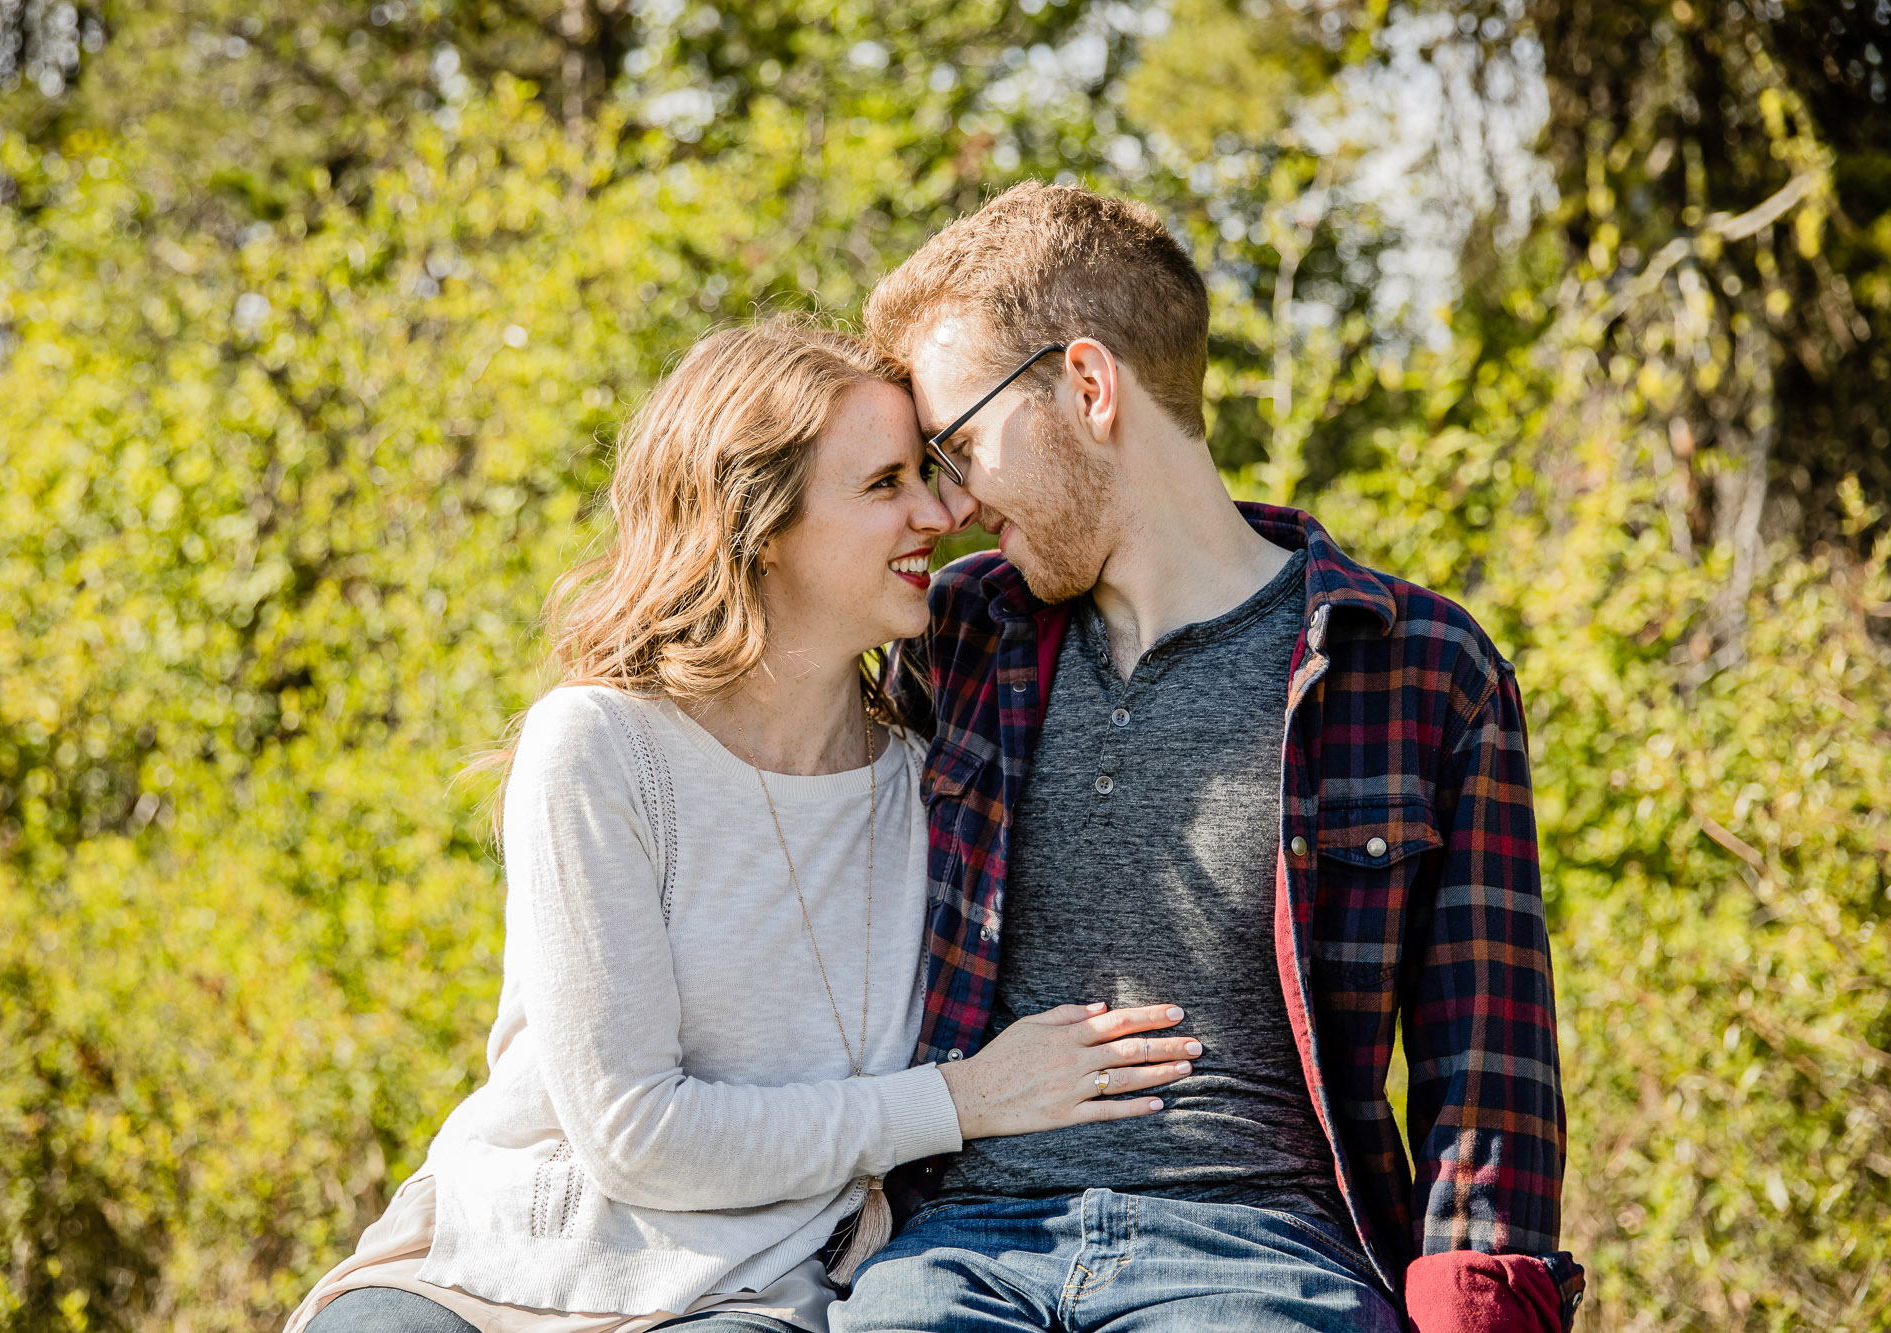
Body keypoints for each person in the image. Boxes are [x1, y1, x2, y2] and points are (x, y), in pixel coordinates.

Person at [285, 322, 1198, 1333]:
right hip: (500, 1267)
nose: (941, 512)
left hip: (752, 1290)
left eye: (928, 474)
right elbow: (637, 1133)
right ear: (761, 526)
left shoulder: (931, 784)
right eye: (884, 483)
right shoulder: (599, 747)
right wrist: (961, 1099)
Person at [837, 183, 1585, 1333]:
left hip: (1258, 1258)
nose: (947, 504)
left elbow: (1485, 1066)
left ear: (1087, 388)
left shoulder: (1419, 665)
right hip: (956, 1246)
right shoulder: (951, 637)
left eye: (958, 447)